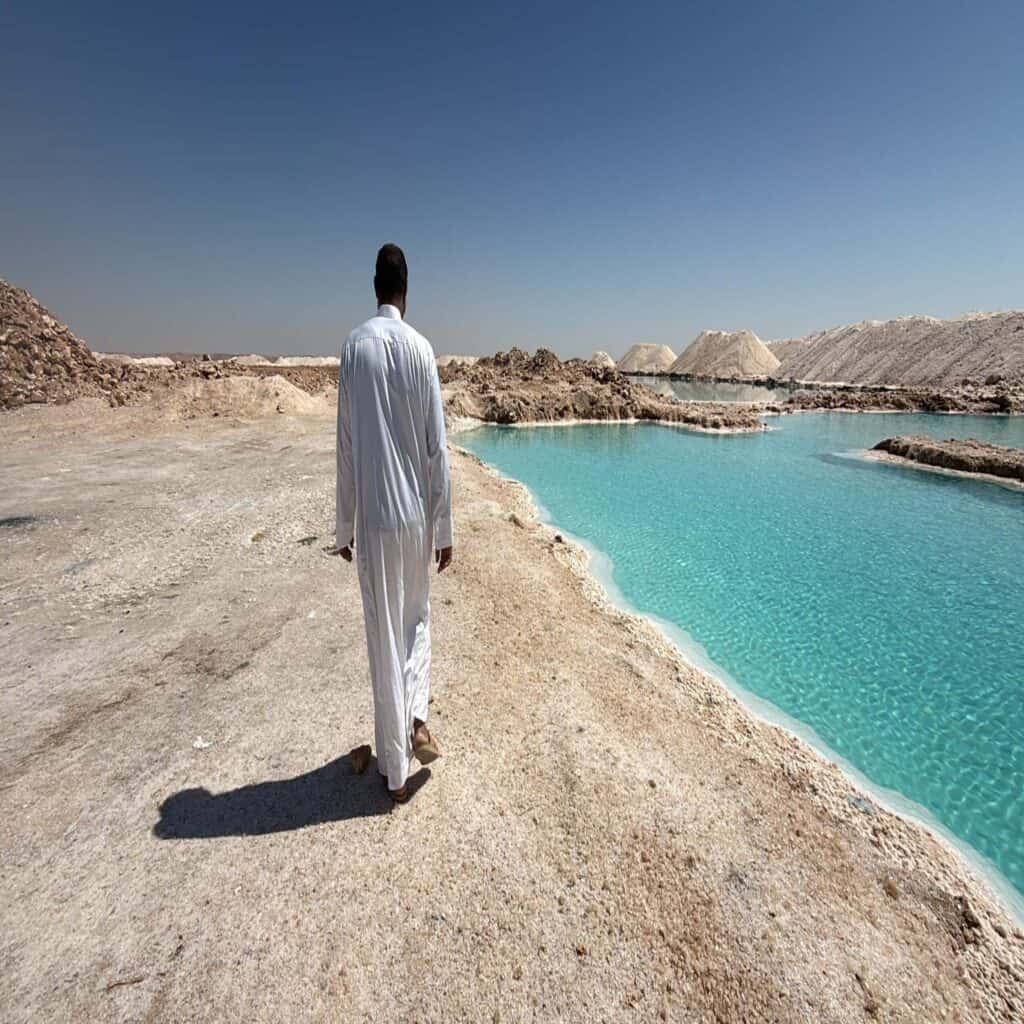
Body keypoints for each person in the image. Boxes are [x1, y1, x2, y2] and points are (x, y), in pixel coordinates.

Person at [333, 244, 453, 802]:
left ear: (374, 285)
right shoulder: (423, 350)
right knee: (416, 622)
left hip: (377, 519)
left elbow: (348, 447)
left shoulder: (354, 348)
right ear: (406, 288)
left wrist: (344, 527)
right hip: (415, 522)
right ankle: (417, 718)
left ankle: (396, 774)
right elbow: (437, 449)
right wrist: (444, 528)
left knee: (383, 637)